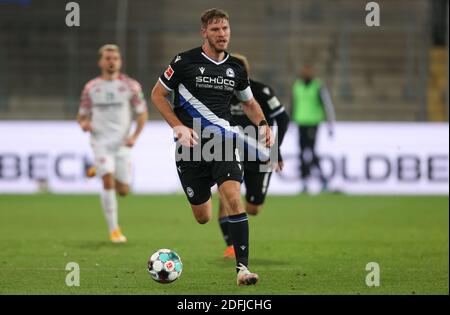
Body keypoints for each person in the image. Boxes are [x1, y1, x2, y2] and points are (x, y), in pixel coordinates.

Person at [150, 8, 273, 286]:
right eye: (216, 29)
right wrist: (177, 126)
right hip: (190, 147)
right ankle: (210, 192)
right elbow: (157, 95)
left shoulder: (236, 69)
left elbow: (250, 104)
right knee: (203, 216)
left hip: (223, 143)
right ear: (204, 32)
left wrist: (263, 124)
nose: (222, 34)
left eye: (225, 29)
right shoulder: (184, 62)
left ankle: (243, 269)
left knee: (233, 198)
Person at [218, 53, 290, 259]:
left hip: (260, 156)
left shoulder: (261, 92)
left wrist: (275, 150)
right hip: (230, 153)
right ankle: (231, 245)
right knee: (228, 195)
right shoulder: (219, 94)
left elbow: (282, 119)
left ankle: (237, 200)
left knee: (254, 208)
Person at [77, 44, 148, 243]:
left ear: (120, 61)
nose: (111, 61)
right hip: (100, 142)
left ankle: (97, 170)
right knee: (107, 181)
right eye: (107, 58)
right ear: (100, 62)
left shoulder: (130, 86)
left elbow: (142, 113)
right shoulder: (91, 88)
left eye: (114, 58)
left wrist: (134, 136)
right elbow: (81, 116)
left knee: (124, 191)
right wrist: (84, 124)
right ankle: (114, 230)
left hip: (122, 144)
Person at [291, 64, 335, 193]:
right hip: (300, 123)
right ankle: (305, 182)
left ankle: (322, 180)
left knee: (311, 152)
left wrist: (330, 124)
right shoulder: (297, 86)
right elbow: (293, 104)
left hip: (313, 123)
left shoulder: (318, 86)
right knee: (301, 153)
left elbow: (327, 105)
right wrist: (291, 122)